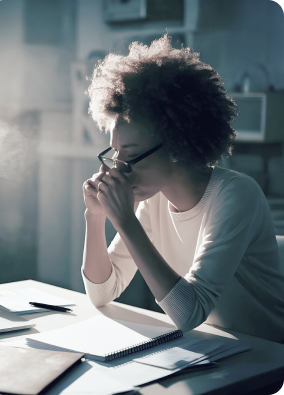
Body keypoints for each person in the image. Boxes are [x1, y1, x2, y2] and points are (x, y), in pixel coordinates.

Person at [81, 34, 284, 344]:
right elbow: (102, 294)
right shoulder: (153, 201)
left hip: (267, 354)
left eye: (132, 154)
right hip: (212, 350)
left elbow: (190, 312)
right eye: (115, 152)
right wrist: (95, 217)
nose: (118, 167)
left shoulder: (236, 196)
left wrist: (125, 220)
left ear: (177, 145)